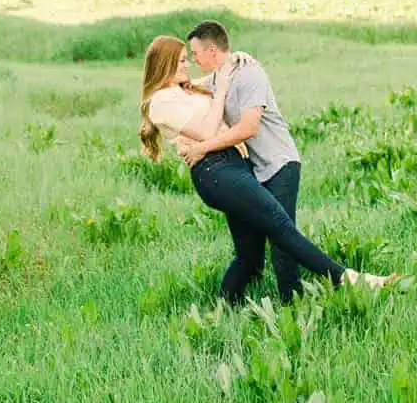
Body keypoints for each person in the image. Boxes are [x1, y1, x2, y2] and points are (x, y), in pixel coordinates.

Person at [139, 34, 393, 304]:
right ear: (164, 64)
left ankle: (226, 310)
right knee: (279, 223)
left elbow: (220, 74)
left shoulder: (186, 89)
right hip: (215, 171)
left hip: (235, 165)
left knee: (250, 258)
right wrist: (222, 89)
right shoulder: (161, 101)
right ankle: (351, 280)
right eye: (180, 61)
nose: (187, 64)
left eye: (187, 59)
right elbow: (206, 131)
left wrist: (237, 58)